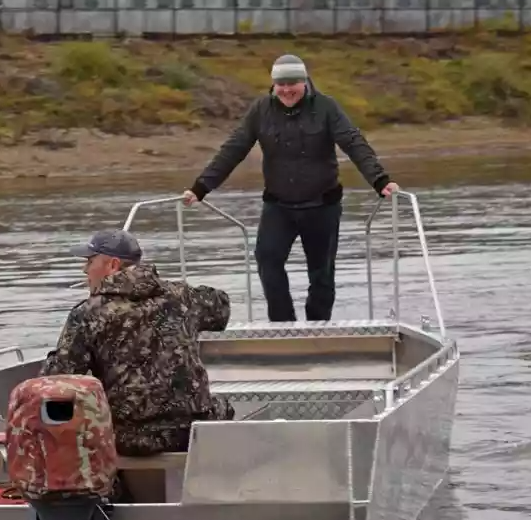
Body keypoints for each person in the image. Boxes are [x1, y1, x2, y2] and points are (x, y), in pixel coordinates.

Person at [183, 53, 400, 323]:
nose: (286, 90)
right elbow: (233, 149)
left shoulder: (326, 108)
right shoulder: (260, 110)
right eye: (280, 84)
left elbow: (354, 143)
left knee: (321, 274)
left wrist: (380, 181)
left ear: (305, 81)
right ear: (273, 85)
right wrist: (201, 187)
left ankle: (317, 326)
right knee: (267, 261)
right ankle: (283, 325)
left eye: (292, 84)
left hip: (323, 205)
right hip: (279, 206)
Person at [40, 228, 235, 457]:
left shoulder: (88, 314)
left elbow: (57, 380)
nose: (85, 270)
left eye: (90, 261)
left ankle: (110, 490)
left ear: (112, 265)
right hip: (192, 428)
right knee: (224, 406)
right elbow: (221, 307)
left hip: (132, 437)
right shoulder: (182, 296)